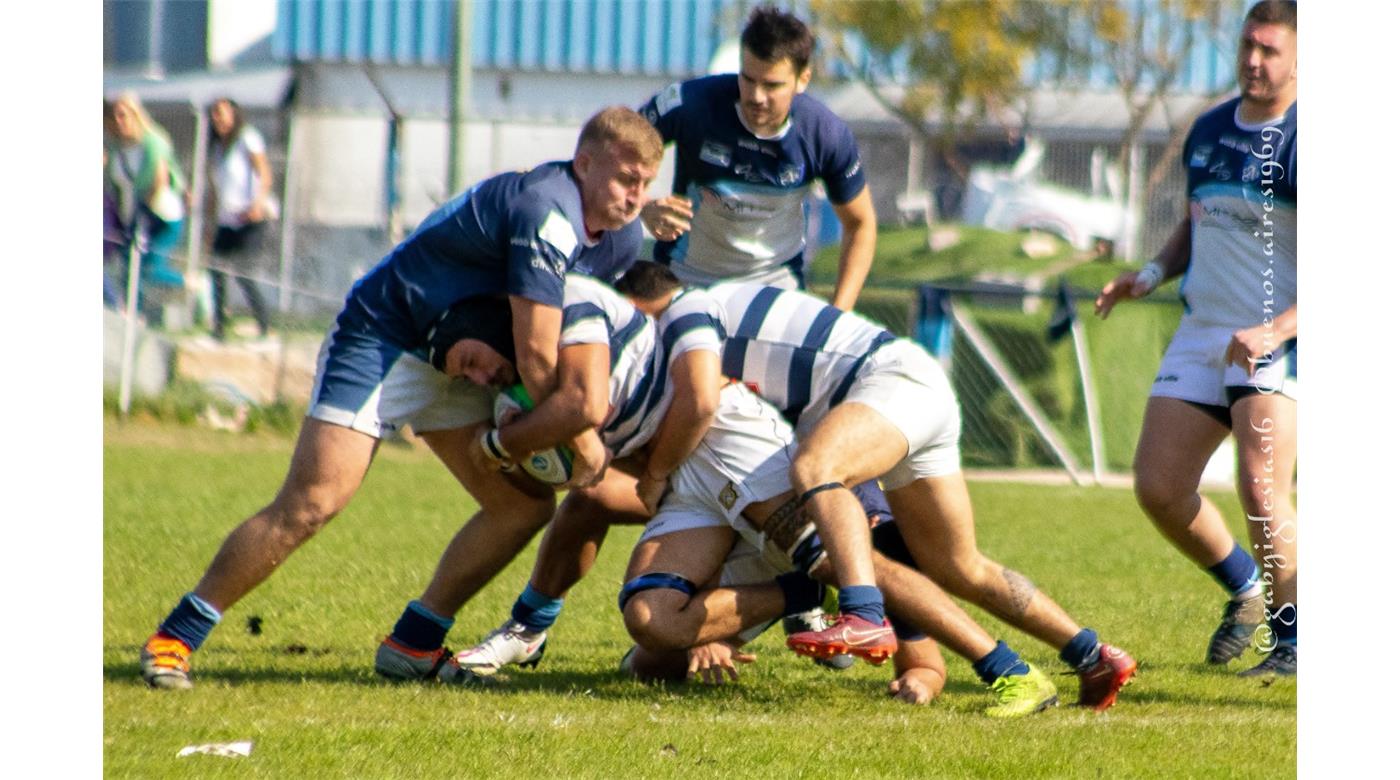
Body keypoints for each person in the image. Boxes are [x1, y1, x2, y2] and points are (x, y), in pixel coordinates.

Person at [138, 106, 664, 690]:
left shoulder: (621, 239)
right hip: (388, 336)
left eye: (645, 183)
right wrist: (580, 435)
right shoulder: (546, 211)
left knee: (522, 506)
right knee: (316, 498)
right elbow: (541, 358)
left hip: (464, 362)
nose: (634, 195)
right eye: (623, 179)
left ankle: (414, 643)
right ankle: (175, 637)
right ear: (584, 163)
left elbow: (574, 334)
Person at [448, 278, 1054, 716]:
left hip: (725, 443)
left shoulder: (582, 307)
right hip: (685, 479)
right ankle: (798, 593)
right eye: (464, 377)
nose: (479, 378)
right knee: (649, 628)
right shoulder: (526, 384)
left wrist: (511, 446)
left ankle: (1008, 669)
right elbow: (590, 468)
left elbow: (692, 403)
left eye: (475, 362)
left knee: (844, 560)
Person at [621, 262, 1138, 710]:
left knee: (816, 471)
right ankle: (1093, 655)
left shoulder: (686, 312)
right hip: (906, 394)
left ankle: (862, 613)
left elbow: (703, 405)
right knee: (960, 566)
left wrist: (655, 472)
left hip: (885, 384)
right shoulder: (699, 322)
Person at [1093, 0, 1297, 677]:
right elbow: (1197, 222)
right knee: (1158, 486)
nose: (1253, 60)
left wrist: (1277, 329)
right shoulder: (1209, 128)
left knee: (1262, 491)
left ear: (1300, 56)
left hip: (1279, 338)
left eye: (1269, 48)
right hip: (1202, 330)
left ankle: (1295, 640)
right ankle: (1245, 589)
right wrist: (1149, 273)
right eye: (1247, 46)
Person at [638, 5, 877, 309]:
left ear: (803, 79)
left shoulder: (825, 134)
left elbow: (861, 224)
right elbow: (613, 149)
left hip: (776, 291)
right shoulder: (689, 104)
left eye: (772, 85)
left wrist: (837, 314)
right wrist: (642, 204)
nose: (756, 96)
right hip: (689, 282)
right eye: (748, 79)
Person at [104, 92, 188, 324]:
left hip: (162, 212)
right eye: (116, 116)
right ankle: (133, 312)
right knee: (129, 261)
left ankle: (191, 283)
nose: (120, 120)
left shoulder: (153, 141)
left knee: (148, 266)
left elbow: (159, 181)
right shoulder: (118, 146)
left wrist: (142, 217)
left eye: (124, 115)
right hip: (138, 210)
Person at [205, 97, 274, 340]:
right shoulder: (216, 148)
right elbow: (215, 188)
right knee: (215, 269)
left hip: (250, 217)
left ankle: (264, 323)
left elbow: (264, 172)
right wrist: (210, 223)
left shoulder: (247, 138)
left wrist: (258, 203)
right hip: (227, 218)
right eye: (214, 114)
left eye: (222, 113)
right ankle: (219, 326)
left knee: (243, 272)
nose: (218, 119)